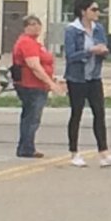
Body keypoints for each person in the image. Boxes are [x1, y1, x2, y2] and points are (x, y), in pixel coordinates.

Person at [63, 0, 111, 168]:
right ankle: (74, 153)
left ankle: (104, 153)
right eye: (93, 9)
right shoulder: (72, 30)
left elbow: (103, 47)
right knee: (77, 113)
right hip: (77, 78)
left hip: (94, 76)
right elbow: (70, 55)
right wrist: (90, 50)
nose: (97, 13)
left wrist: (103, 51)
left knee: (99, 113)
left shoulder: (98, 28)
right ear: (83, 11)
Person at [11, 15, 66, 158]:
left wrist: (52, 79)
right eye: (32, 24)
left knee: (31, 117)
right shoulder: (26, 42)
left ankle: (26, 146)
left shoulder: (36, 43)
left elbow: (43, 65)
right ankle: (26, 148)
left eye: (37, 24)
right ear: (25, 27)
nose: (36, 27)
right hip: (31, 85)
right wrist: (51, 84)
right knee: (32, 117)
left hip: (39, 85)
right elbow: (34, 66)